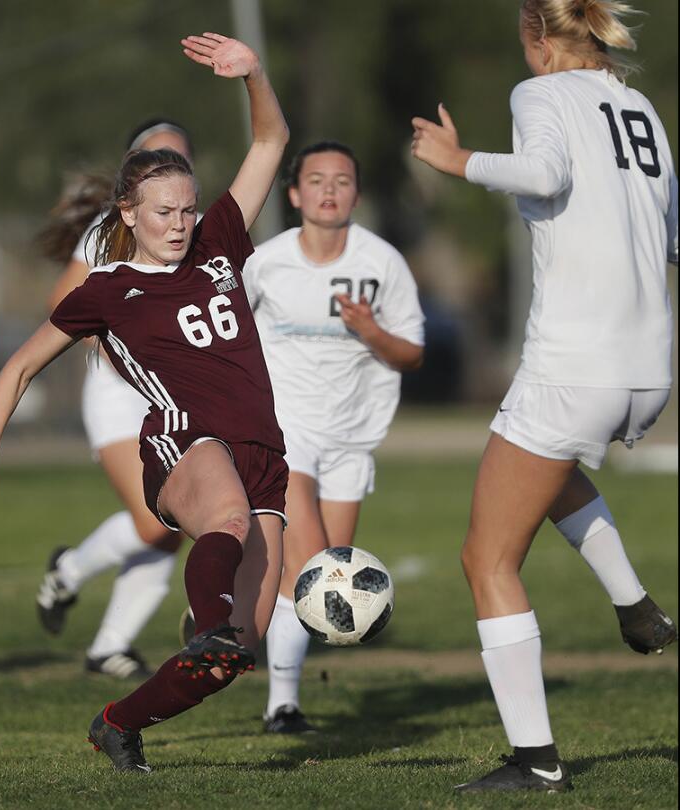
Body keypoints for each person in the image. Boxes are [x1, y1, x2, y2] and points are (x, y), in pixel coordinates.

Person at [0, 31, 290, 774]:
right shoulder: (106, 291)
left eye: (188, 209)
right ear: (128, 212)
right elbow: (19, 369)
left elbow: (270, 138)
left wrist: (252, 73)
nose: (180, 223)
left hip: (266, 453)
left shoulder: (221, 240)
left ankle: (118, 721)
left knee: (235, 656)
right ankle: (210, 622)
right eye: (164, 211)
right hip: (183, 444)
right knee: (223, 534)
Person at [410, 0, 678, 793]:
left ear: (539, 38)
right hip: (648, 370)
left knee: (486, 558)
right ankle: (635, 606)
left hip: (576, 362)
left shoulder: (542, 94)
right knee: (541, 459)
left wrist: (458, 162)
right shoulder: (640, 109)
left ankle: (537, 761)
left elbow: (547, 174)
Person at [243, 141, 425, 733]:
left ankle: (233, 610)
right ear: (294, 194)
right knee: (315, 572)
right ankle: (282, 706)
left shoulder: (382, 264)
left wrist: (370, 330)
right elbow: (227, 336)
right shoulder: (265, 262)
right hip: (286, 432)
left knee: (326, 587)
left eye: (341, 181)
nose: (328, 190)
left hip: (353, 438)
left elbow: (412, 354)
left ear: (356, 194)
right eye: (316, 180)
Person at [33, 119, 200, 680]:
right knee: (159, 521)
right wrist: (117, 339)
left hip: (179, 395)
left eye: (175, 159)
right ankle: (69, 572)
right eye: (152, 157)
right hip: (119, 395)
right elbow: (64, 306)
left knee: (169, 527)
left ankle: (110, 645)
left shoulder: (196, 231)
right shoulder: (108, 233)